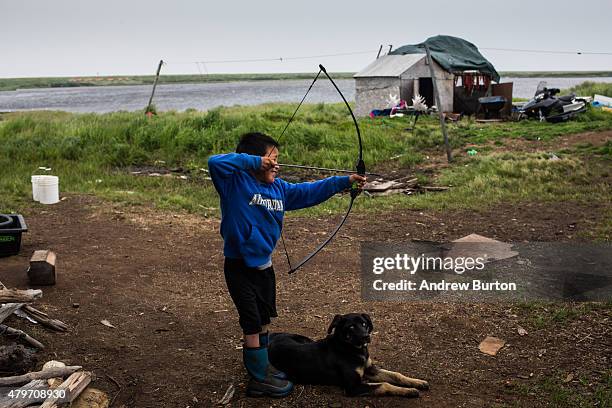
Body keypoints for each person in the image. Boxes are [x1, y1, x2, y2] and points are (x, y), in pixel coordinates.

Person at [208, 132, 366, 397]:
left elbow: (309, 191)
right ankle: (258, 377)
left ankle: (264, 364)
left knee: (265, 319)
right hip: (239, 267)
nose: (276, 165)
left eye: (277, 160)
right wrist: (252, 162)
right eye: (271, 159)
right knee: (252, 323)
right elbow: (215, 162)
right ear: (256, 160)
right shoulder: (234, 183)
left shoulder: (279, 189)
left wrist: (344, 182)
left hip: (264, 269)